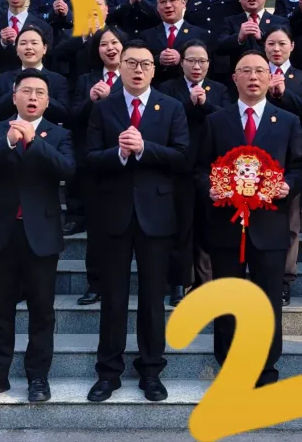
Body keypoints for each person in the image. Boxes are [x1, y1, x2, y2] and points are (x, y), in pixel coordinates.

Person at [195, 50, 302, 387]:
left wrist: (288, 186)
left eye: (260, 70)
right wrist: (210, 188)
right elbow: (199, 168)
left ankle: (266, 367)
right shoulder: (216, 121)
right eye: (246, 70)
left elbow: (300, 166)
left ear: (270, 77)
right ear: (235, 78)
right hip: (226, 225)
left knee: (267, 300)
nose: (254, 77)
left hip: (269, 226)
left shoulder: (286, 120)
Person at [84, 43, 189, 403]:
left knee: (152, 298)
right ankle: (108, 373)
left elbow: (182, 156)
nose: (138, 69)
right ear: (121, 67)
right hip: (114, 214)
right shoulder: (104, 107)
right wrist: (118, 153)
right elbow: (90, 158)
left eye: (145, 63)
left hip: (156, 216)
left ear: (154, 70)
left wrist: (144, 149)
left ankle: (151, 370)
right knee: (113, 297)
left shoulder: (171, 107)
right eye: (131, 63)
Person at [0, 69, 75, 404]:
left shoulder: (60, 134)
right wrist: (8, 142)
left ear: (47, 101)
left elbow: (68, 170)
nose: (32, 97)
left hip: (41, 234)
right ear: (14, 96)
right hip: (1, 232)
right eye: (26, 91)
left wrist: (35, 141)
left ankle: (38, 376)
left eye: (39, 93)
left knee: (42, 310)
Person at [157, 40, 232, 305]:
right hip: (179, 168)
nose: (197, 66)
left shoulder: (220, 89)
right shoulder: (169, 88)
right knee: (181, 227)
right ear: (181, 62)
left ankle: (205, 282)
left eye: (202, 61)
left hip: (210, 168)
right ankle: (178, 283)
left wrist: (206, 104)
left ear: (209, 64)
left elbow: (227, 119)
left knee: (208, 227)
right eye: (191, 60)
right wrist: (189, 105)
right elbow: (163, 121)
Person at [68, 27, 127, 305]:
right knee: (97, 228)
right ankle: (96, 282)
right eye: (104, 44)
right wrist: (90, 100)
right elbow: (72, 118)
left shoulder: (134, 76)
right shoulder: (86, 80)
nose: (110, 48)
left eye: (115, 42)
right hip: (95, 162)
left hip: (128, 160)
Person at [54, 0, 111, 237]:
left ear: (107, 9)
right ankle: (76, 215)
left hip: (110, 109)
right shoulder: (72, 36)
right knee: (77, 163)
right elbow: (57, 55)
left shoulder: (116, 37)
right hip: (80, 104)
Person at [263, 27, 302, 306]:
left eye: (282, 43)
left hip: (290, 157)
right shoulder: (256, 71)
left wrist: (283, 94)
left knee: (291, 224)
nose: (276, 49)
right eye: (271, 43)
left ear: (292, 46)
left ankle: (285, 280)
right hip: (256, 156)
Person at [214, 0, 290, 87]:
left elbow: (285, 51)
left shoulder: (280, 22)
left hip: (271, 82)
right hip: (237, 84)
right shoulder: (229, 21)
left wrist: (262, 38)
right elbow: (219, 47)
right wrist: (239, 37)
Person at [0, 25, 69, 125]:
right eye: (23, 43)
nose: (29, 47)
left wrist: (42, 94)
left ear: (44, 48)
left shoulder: (58, 80)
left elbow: (64, 115)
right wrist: (15, 92)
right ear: (16, 50)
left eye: (34, 43)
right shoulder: (3, 79)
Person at [140, 0, 211, 86]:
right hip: (156, 90)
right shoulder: (146, 35)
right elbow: (139, 63)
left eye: (172, 0)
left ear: (183, 3)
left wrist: (182, 60)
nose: (168, 5)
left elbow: (209, 67)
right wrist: (158, 59)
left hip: (188, 91)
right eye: (162, 2)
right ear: (157, 7)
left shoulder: (200, 35)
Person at [51, 0, 110, 90]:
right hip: (78, 92)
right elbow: (57, 55)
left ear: (106, 9)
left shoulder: (117, 35)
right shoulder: (69, 34)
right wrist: (84, 36)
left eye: (98, 4)